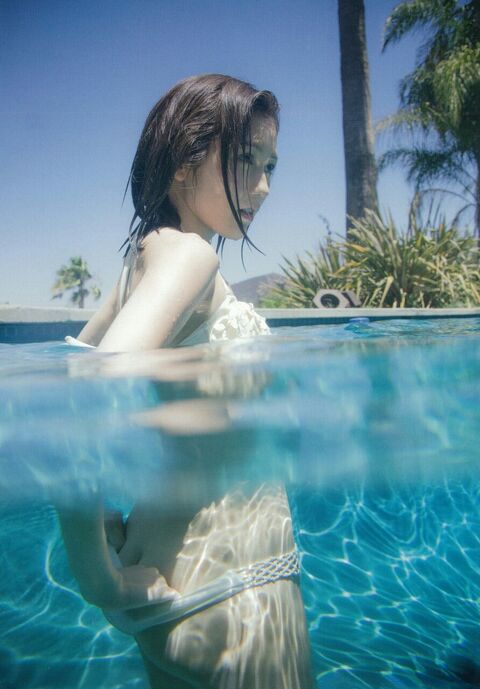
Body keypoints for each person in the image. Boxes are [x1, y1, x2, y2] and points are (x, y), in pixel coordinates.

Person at [59, 73, 313, 688]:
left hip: (168, 585)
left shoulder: (144, 257)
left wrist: (106, 540)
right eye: (246, 160)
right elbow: (86, 400)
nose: (263, 186)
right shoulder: (191, 257)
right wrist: (96, 579)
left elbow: (69, 377)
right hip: (235, 594)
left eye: (271, 166)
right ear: (181, 162)